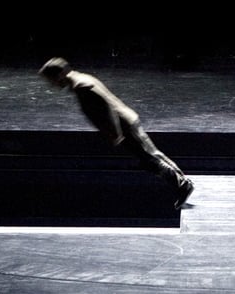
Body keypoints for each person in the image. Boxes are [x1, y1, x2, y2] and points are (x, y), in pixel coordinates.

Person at [39, 57, 194, 209]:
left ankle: (181, 185)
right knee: (152, 153)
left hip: (123, 125)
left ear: (59, 75)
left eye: (50, 80)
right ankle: (183, 182)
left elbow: (106, 106)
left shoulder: (81, 86)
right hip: (127, 118)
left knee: (148, 159)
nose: (52, 85)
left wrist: (115, 133)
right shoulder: (81, 78)